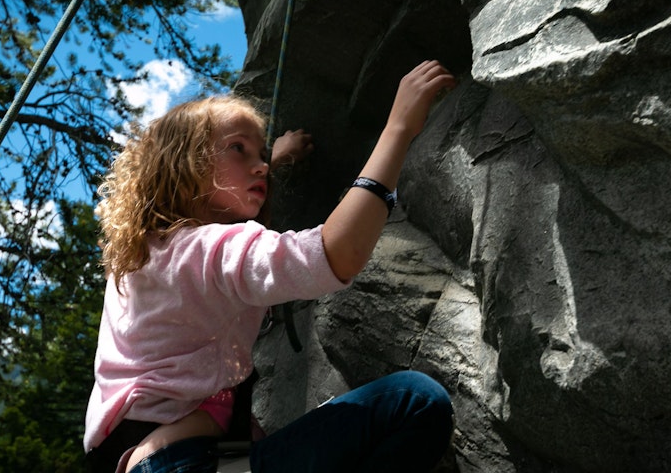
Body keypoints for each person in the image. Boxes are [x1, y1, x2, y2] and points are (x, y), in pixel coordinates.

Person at [84, 60, 457, 473]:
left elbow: (221, 201)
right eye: (238, 149)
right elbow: (339, 253)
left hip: (185, 461)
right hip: (190, 464)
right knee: (414, 400)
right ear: (185, 165)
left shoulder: (144, 256)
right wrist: (399, 127)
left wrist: (270, 158)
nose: (259, 165)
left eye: (261, 155)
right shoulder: (206, 248)